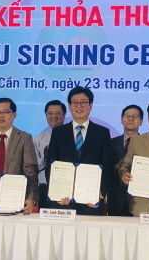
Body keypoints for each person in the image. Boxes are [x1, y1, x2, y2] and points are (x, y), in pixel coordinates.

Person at [46, 86, 113, 215]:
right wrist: (56, 192)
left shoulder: (102, 133)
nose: (79, 106)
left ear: (91, 106)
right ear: (69, 106)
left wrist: (101, 192)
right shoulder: (58, 133)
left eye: (83, 102)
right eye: (75, 102)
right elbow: (51, 165)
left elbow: (108, 166)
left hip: (91, 201)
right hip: (63, 201)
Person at [108, 104, 143, 216]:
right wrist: (116, 167)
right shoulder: (110, 143)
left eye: (135, 116)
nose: (131, 119)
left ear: (141, 121)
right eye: (127, 116)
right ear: (121, 120)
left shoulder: (148, 144)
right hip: (115, 199)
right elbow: (105, 169)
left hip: (140, 200)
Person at [33, 100, 66, 208]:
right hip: (45, 186)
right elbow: (34, 167)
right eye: (50, 113)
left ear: (64, 115)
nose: (54, 116)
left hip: (67, 186)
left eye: (58, 113)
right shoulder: (39, 139)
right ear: (46, 116)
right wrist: (46, 159)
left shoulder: (73, 137)